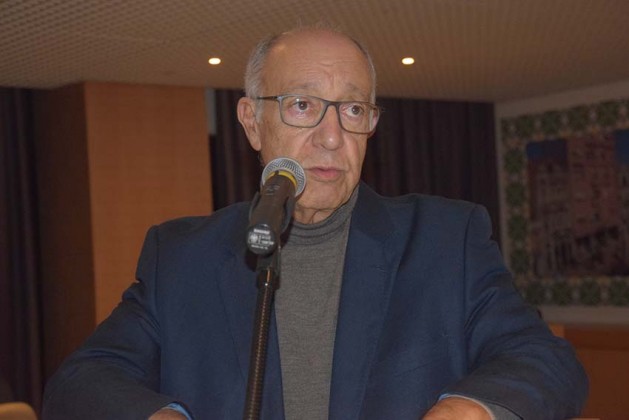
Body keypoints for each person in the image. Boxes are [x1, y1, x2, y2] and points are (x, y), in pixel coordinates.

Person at [42, 26, 588, 420]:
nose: (332, 137)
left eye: (353, 110)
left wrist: (467, 409)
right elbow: (82, 380)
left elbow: (545, 360)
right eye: (303, 105)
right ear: (252, 122)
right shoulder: (182, 256)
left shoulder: (447, 239)